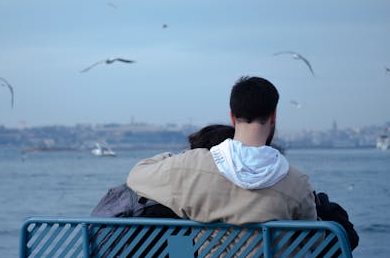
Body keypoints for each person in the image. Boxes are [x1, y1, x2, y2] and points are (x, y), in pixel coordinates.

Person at [127, 76, 317, 225]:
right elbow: (316, 241)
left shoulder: (190, 166)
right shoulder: (297, 183)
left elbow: (135, 177)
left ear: (232, 116)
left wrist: (172, 158)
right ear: (273, 116)